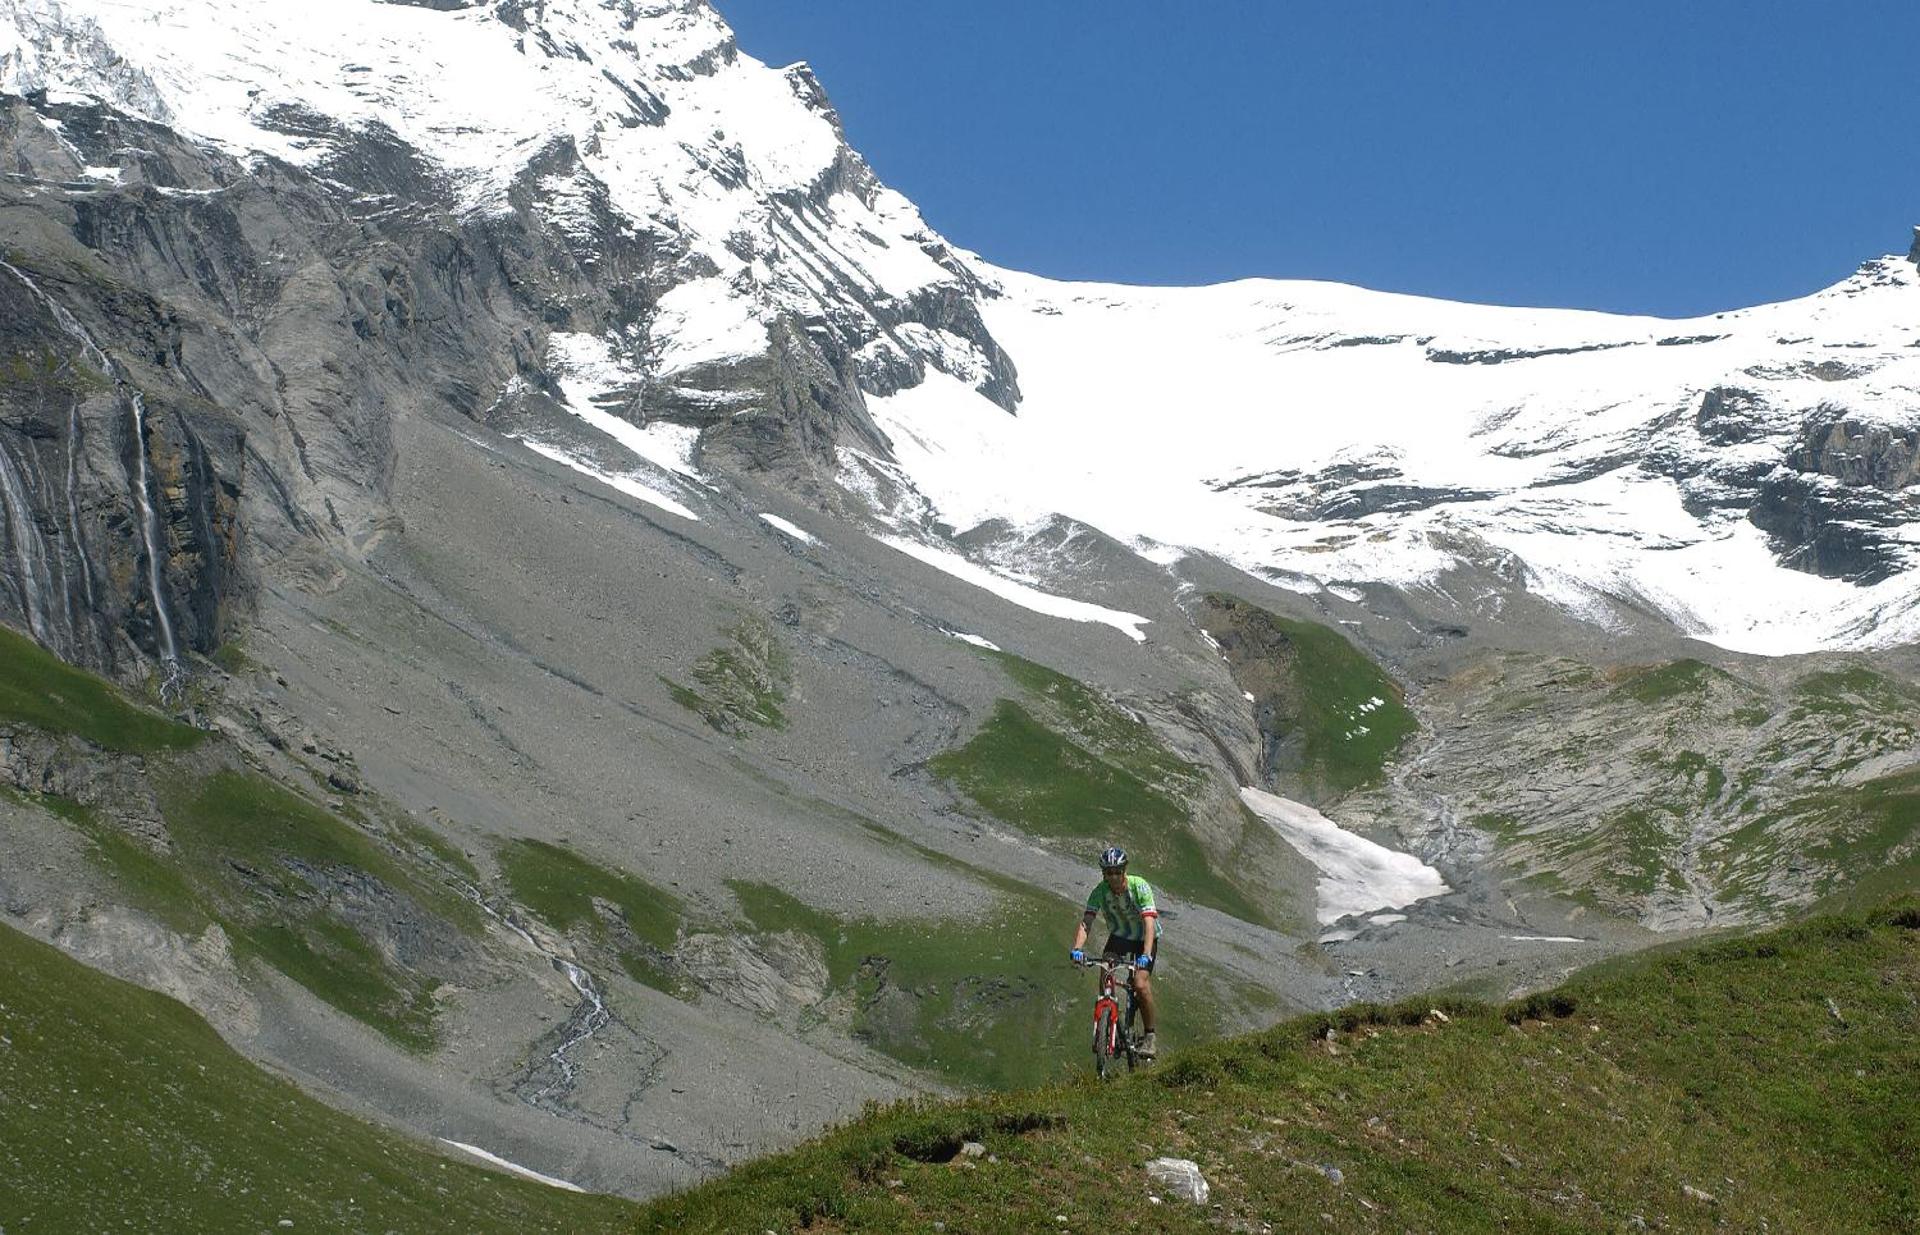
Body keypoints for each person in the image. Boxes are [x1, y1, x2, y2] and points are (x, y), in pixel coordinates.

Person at [1068, 845, 1159, 1058]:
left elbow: (1149, 922)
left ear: (1124, 870)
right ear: (1104, 873)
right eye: (1109, 872)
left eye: (1118, 871)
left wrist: (1146, 954)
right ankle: (1108, 1023)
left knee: (1140, 984)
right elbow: (1087, 921)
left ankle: (1150, 1036)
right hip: (1119, 936)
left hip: (1143, 938)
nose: (1114, 876)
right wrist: (1077, 949)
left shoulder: (1139, 886)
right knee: (1105, 971)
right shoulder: (1100, 892)